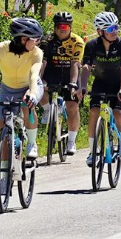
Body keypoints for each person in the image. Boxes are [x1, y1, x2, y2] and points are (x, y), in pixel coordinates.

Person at [0, 18, 44, 189]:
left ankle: (31, 143)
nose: (37, 42)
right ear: (23, 39)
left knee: (28, 104)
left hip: (29, 86)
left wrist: (32, 94)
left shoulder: (36, 52)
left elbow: (34, 76)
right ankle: (5, 175)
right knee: (5, 132)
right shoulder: (0, 49)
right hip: (7, 88)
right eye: (35, 39)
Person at [79, 11, 121, 166]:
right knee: (94, 112)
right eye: (110, 29)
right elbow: (86, 67)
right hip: (101, 82)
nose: (114, 31)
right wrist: (83, 86)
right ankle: (92, 151)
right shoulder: (92, 45)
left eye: (116, 27)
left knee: (118, 113)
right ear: (100, 31)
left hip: (120, 83)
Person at [39, 12, 85, 155]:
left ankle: (71, 141)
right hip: (51, 72)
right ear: (55, 27)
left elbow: (75, 64)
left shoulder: (77, 41)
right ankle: (48, 109)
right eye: (59, 26)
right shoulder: (47, 40)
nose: (62, 29)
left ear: (70, 27)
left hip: (69, 73)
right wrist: (39, 79)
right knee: (39, 90)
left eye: (65, 26)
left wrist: (73, 83)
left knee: (72, 107)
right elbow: (43, 62)